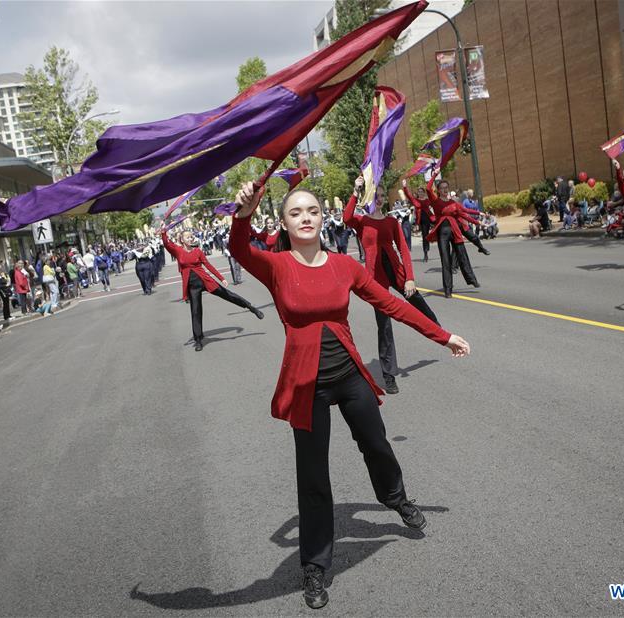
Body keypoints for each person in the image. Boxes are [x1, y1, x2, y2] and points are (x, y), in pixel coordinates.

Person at [230, 180, 469, 610]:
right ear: (284, 224)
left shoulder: (344, 266)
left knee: (376, 445)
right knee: (313, 477)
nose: (305, 218)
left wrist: (442, 335)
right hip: (307, 385)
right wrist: (243, 214)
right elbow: (240, 249)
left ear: (323, 218)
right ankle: (314, 565)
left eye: (312, 211)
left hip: (349, 375)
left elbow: (392, 305)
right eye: (295, 213)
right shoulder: (276, 266)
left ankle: (395, 498)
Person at [344, 178, 440, 394]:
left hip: (395, 270)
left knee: (416, 299)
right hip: (375, 278)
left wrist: (410, 278)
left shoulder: (391, 222)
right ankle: (388, 376)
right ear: (369, 198)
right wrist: (356, 191)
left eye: (381, 196)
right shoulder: (361, 221)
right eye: (375, 196)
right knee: (384, 326)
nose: (379, 199)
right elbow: (346, 217)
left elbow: (403, 249)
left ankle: (436, 328)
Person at [161, 227, 263, 351]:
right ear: (182, 240)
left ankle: (250, 307)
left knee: (227, 294)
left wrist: (221, 278)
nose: (190, 238)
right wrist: (163, 232)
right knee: (195, 311)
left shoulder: (197, 251)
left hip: (205, 281)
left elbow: (208, 265)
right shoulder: (178, 251)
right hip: (192, 287)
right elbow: (167, 244)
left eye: (191, 236)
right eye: (187, 237)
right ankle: (198, 340)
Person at [425, 175, 480, 296]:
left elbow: (465, 212)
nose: (445, 190)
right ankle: (448, 289)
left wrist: (478, 217)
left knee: (462, 256)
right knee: (446, 261)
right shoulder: (435, 201)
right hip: (443, 234)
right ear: (438, 190)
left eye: (446, 187)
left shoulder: (453, 203)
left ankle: (472, 280)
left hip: (455, 232)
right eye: (442, 188)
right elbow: (428, 188)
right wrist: (434, 174)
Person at [402, 180, 436, 262]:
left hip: (429, 218)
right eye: (419, 192)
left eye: (421, 192)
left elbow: (435, 202)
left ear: (424, 193)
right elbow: (408, 195)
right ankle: (425, 252)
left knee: (435, 231)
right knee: (425, 236)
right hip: (421, 220)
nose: (420, 193)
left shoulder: (428, 200)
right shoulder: (415, 200)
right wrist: (405, 187)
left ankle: (432, 247)